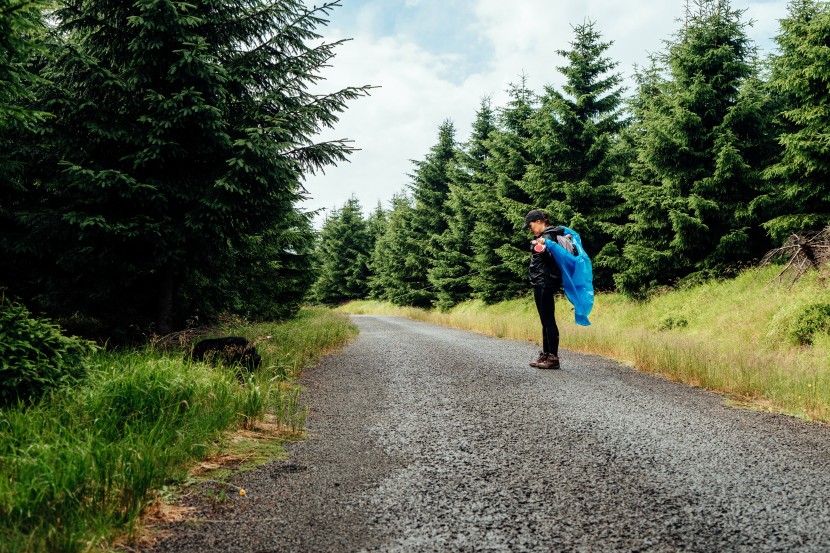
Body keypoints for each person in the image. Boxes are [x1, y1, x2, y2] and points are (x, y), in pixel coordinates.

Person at [522, 209, 570, 370]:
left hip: (545, 281)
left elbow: (553, 260)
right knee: (545, 319)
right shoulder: (544, 237)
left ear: (539, 221)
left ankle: (553, 357)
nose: (530, 229)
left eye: (530, 225)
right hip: (541, 281)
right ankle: (545, 354)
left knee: (548, 319)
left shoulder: (548, 236)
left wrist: (541, 249)